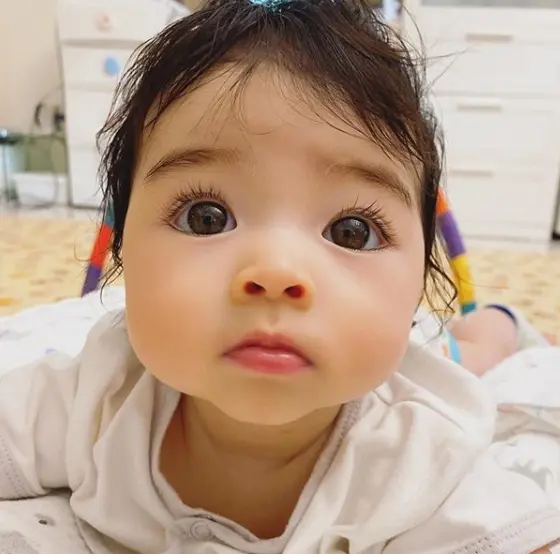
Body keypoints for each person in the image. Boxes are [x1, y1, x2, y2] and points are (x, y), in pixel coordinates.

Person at [0, 0, 558, 552]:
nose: (276, 272)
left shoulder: (422, 452)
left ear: (419, 278)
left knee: (471, 350)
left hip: (431, 352)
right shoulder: (101, 392)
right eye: (205, 217)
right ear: (123, 247)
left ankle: (500, 323)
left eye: (352, 231)